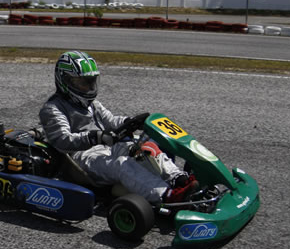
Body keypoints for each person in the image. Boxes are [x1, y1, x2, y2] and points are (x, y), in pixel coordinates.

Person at [39, 50, 197, 205]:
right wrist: (95, 136)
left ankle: (179, 179)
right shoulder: (53, 108)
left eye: (91, 82)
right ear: (65, 81)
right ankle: (168, 195)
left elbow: (111, 120)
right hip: (81, 159)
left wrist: (132, 122)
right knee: (121, 164)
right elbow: (63, 141)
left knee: (144, 148)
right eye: (82, 82)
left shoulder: (92, 104)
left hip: (105, 146)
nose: (88, 87)